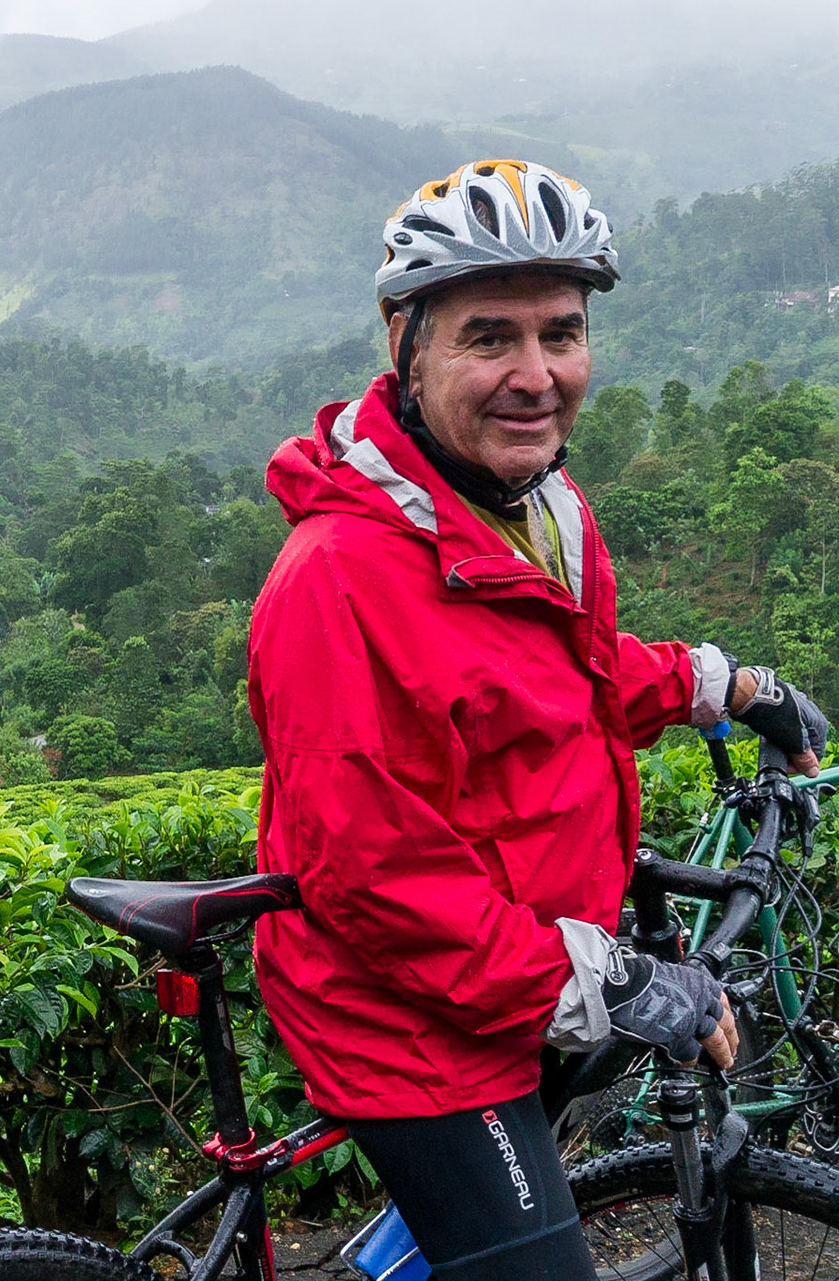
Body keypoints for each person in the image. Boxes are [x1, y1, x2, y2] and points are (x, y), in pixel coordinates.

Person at [246, 161, 828, 1279]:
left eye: (561, 333)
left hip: (510, 980)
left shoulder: (540, 508)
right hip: (415, 1026)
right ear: (404, 342)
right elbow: (374, 875)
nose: (536, 375)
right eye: (489, 338)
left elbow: (563, 676)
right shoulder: (337, 578)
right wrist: (613, 981)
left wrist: (725, 685)